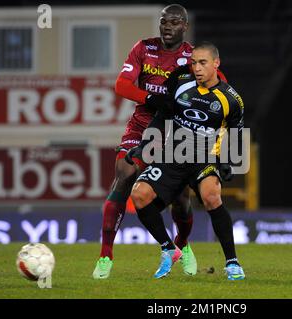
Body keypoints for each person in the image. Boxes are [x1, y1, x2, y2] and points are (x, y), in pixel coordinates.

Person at [93, 4, 199, 279]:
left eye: (174, 22)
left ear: (184, 27)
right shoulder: (143, 48)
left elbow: (211, 88)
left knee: (181, 197)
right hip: (141, 126)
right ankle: (105, 256)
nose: (167, 26)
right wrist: (151, 98)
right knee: (124, 174)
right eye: (164, 21)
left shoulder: (192, 57)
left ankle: (182, 246)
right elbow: (122, 85)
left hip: (175, 130)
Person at [127, 42, 246, 280]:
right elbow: (162, 116)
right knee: (139, 195)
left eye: (203, 63)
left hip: (205, 156)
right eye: (193, 63)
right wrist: (144, 145)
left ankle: (232, 263)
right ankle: (168, 248)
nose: (197, 68)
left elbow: (236, 133)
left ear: (216, 64)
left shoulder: (231, 100)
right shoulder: (181, 85)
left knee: (212, 196)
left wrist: (227, 161)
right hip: (174, 153)